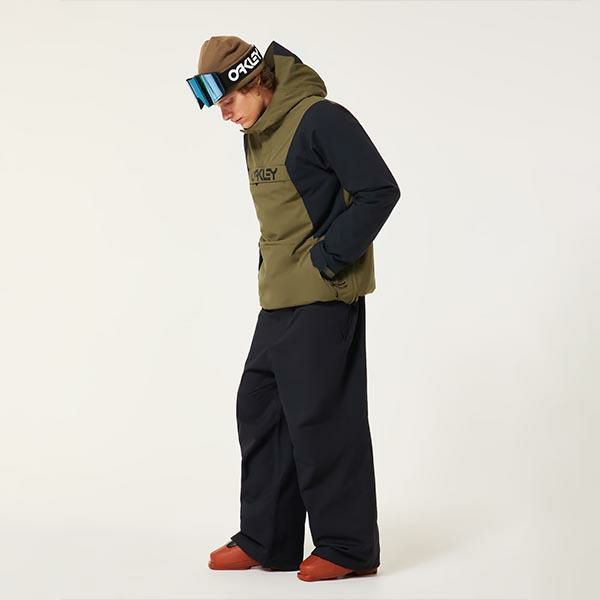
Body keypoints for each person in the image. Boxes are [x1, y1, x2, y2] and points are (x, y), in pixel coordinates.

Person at [187, 36, 401, 582]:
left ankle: (348, 547)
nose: (225, 114)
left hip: (324, 297)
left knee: (321, 417)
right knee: (259, 406)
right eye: (217, 105)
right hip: (279, 297)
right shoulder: (256, 132)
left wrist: (328, 260)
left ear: (255, 79)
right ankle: (268, 539)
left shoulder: (321, 119)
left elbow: (379, 190)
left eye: (228, 99)